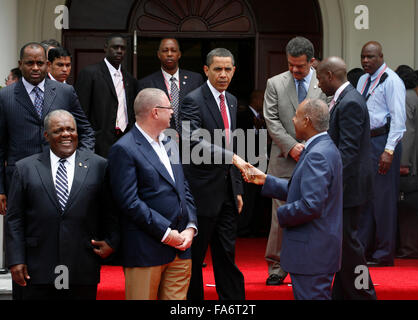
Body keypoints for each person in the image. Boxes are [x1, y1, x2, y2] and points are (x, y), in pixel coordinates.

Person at [5, 110, 119, 300]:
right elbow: (14, 218)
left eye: (70, 129)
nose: (66, 134)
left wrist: (112, 241)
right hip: (37, 267)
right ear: (46, 135)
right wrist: (15, 259)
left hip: (81, 265)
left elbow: (111, 210)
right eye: (58, 130)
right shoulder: (25, 168)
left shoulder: (99, 166)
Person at [238, 98, 343, 300]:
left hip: (312, 252)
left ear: (307, 121)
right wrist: (266, 180)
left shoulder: (317, 154)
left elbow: (311, 204)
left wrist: (281, 214)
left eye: (296, 116)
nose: (292, 120)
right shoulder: (323, 147)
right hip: (316, 250)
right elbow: (305, 190)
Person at [108, 88, 197, 300]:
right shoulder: (124, 149)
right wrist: (166, 234)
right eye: (169, 108)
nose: (173, 113)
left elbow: (184, 188)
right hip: (146, 249)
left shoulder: (170, 143)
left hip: (181, 248)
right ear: (155, 112)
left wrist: (191, 227)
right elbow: (128, 201)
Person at [0, 42, 95, 217]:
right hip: (18, 180)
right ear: (20, 64)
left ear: (47, 65)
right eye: (29, 63)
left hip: (60, 176)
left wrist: (80, 161)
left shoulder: (65, 92)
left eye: (40, 63)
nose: (35, 68)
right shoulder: (5, 97)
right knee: (17, 233)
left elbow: (86, 131)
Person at [181, 48, 245, 301]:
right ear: (206, 70)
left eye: (228, 69)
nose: (223, 74)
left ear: (234, 71)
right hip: (201, 192)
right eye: (217, 69)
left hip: (228, 192)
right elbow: (191, 141)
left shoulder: (231, 100)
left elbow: (233, 146)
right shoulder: (192, 100)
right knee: (195, 258)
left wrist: (237, 188)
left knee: (226, 255)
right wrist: (229, 157)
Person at [263, 36, 326, 286]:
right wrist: (292, 147)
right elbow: (271, 120)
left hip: (315, 158)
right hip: (283, 158)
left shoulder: (324, 83)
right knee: (280, 214)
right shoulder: (275, 83)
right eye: (290, 64)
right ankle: (277, 265)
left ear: (312, 62)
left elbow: (327, 119)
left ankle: (310, 261)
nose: (294, 70)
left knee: (312, 210)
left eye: (299, 66)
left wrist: (309, 148)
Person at [316, 56, 377, 300]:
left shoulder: (350, 101)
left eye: (320, 78)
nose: (318, 84)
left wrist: (330, 182)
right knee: (343, 245)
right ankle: (342, 294)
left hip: (349, 187)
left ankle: (365, 293)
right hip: (348, 185)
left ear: (331, 75)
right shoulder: (345, 97)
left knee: (349, 245)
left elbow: (348, 151)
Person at [356, 41, 406, 266]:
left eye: (371, 57)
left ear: (381, 57)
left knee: (383, 200)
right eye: (363, 56)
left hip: (383, 143)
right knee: (365, 198)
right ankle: (363, 251)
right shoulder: (362, 79)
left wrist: (389, 150)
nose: (366, 60)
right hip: (365, 143)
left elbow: (398, 120)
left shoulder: (392, 81)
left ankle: (384, 253)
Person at [75, 34, 138, 158]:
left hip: (126, 139)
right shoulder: (90, 74)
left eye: (123, 48)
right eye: (115, 47)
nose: (119, 51)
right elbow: (81, 111)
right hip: (98, 142)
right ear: (106, 48)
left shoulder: (130, 79)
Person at [138, 38, 204, 133]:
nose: (169, 54)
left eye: (173, 50)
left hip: (191, 139)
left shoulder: (196, 80)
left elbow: (201, 111)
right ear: (159, 55)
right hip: (161, 139)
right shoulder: (146, 84)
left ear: (179, 54)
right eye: (165, 50)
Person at [395, 65, 418, 259]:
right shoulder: (414, 96)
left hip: (411, 164)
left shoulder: (405, 97)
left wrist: (403, 163)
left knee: (407, 208)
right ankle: (414, 247)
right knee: (414, 209)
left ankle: (409, 249)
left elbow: (407, 132)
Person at [237, 90, 270, 237]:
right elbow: (240, 138)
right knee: (248, 196)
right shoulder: (242, 116)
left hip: (262, 162)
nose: (265, 103)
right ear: (256, 99)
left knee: (259, 197)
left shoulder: (262, 118)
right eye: (263, 99)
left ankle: (256, 226)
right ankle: (243, 227)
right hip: (248, 162)